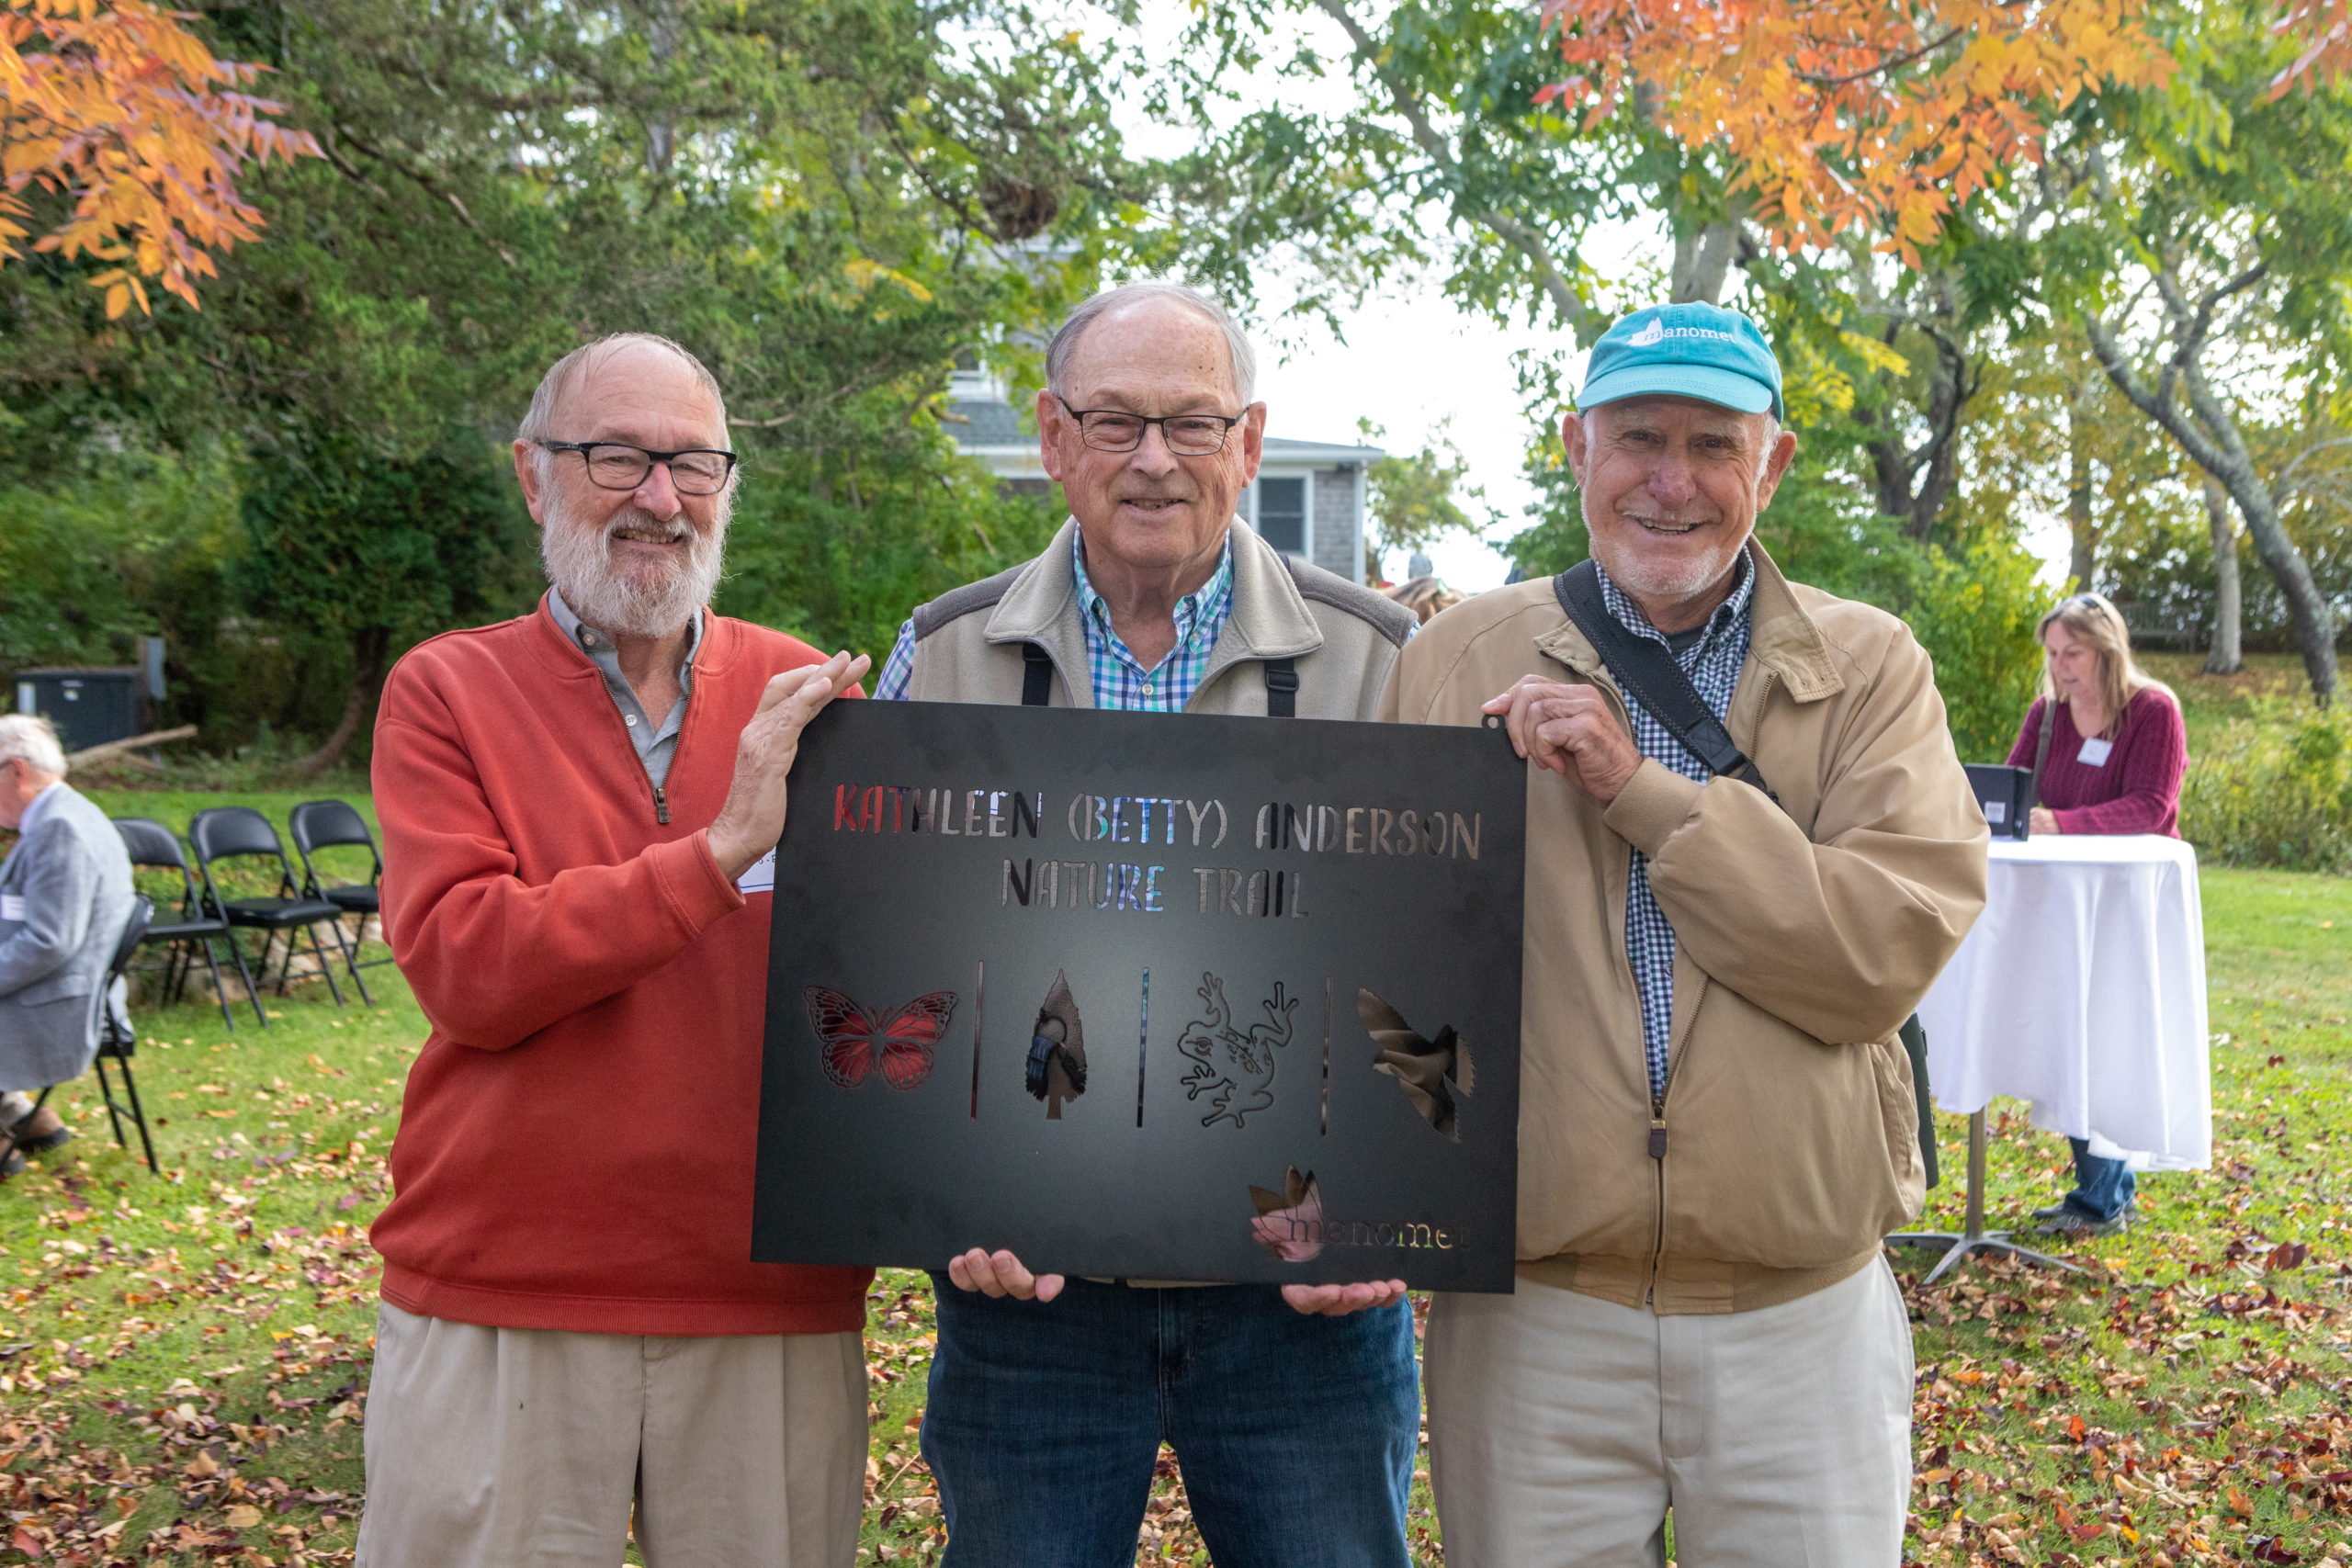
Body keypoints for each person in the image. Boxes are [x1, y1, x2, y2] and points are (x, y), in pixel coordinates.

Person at [1384, 301, 1989, 1567]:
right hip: (1534, 1314)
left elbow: (1880, 952)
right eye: (1638, 437)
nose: (1673, 480)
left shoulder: (1869, 666)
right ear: (1576, 449)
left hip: (1800, 1310)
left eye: (1714, 444)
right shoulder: (1450, 659)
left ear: (1770, 462)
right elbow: (1383, 971)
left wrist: (1639, 788)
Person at [874, 281, 1424, 1568]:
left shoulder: (1384, 660)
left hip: (1301, 1283)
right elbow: (890, 959)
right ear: (1056, 440)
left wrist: (1391, 1201)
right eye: (1116, 421)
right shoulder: (943, 657)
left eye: (1192, 421)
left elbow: (1453, 963)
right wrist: (943, 1196)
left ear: (1250, 438)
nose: (1156, 458)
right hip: (1032, 1291)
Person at [358, 333, 873, 1568]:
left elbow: (883, 993)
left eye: (694, 463)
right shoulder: (446, 690)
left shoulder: (804, 698)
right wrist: (716, 853)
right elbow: (468, 966)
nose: (660, 496)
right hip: (506, 1292)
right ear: (535, 477)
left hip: (770, 1296)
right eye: (618, 456)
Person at [2007, 591, 2188, 1238]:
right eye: (2053, 654)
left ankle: (2105, 1192)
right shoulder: (2047, 715)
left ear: (2106, 650)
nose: (2060, 667)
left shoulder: (2152, 711)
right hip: (2060, 900)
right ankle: (2103, 1188)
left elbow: (2150, 807)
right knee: (2067, 1036)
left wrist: (2060, 823)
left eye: (2073, 653)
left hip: (2124, 905)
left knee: (2109, 1036)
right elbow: (2014, 789)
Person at [0, 715, 135, 1174]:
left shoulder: (62, 828)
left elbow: (48, 942)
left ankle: (10, 1143)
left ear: (17, 771)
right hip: (65, 986)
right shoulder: (66, 814)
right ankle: (27, 1119)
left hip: (63, 1002)